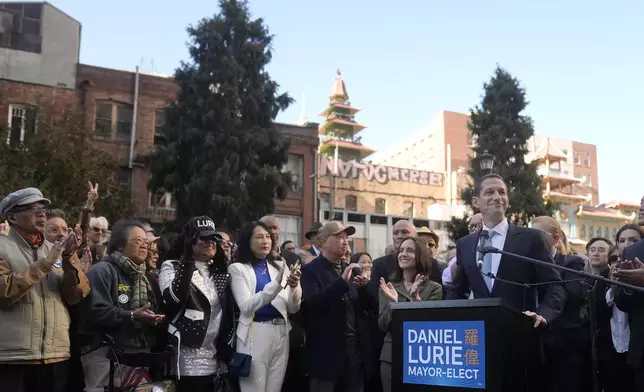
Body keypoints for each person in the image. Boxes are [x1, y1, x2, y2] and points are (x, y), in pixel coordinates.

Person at [447, 174, 565, 391]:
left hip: (522, 342)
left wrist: (544, 315)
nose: (497, 197)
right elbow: (458, 291)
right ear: (476, 201)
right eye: (490, 192)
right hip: (477, 344)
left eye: (502, 192)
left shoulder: (531, 238)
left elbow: (555, 286)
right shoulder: (465, 244)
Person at [0, 187, 90, 392]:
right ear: (12, 217)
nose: (41, 213)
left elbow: (76, 296)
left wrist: (68, 261)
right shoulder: (2, 247)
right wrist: (44, 264)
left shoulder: (56, 249)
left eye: (43, 208)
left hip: (56, 355)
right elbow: (3, 293)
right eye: (33, 208)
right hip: (13, 359)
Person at [80, 220, 166, 392]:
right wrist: (132, 316)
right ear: (120, 245)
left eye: (146, 242)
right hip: (105, 353)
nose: (144, 246)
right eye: (138, 241)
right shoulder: (102, 271)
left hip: (139, 354)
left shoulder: (145, 276)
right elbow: (96, 311)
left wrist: (154, 318)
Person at [159, 216, 236, 391]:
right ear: (189, 240)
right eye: (204, 238)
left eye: (213, 238)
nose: (210, 242)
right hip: (183, 363)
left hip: (215, 363)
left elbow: (230, 314)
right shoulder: (171, 266)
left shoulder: (221, 272)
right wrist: (187, 258)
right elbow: (175, 299)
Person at [228, 221, 302, 392]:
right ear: (248, 241)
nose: (265, 241)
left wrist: (294, 286)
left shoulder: (278, 266)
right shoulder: (238, 268)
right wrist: (276, 285)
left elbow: (293, 307)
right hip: (255, 332)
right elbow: (246, 306)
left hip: (281, 332)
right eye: (259, 237)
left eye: (268, 237)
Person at [300, 221, 374, 392]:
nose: (345, 241)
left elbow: (368, 307)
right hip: (326, 354)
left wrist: (364, 289)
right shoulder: (311, 271)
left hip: (354, 350)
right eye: (340, 237)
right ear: (323, 241)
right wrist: (341, 282)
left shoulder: (352, 269)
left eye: (347, 237)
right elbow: (312, 305)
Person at [378, 236, 442, 392]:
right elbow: (383, 325)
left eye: (409, 250)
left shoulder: (434, 288)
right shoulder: (388, 287)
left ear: (419, 256)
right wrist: (393, 304)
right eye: (401, 250)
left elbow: (430, 325)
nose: (403, 254)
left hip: (422, 358)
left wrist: (415, 300)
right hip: (391, 357)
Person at [532, 216, 588, 392]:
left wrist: (547, 268)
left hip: (564, 343)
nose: (533, 240)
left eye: (538, 235)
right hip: (534, 342)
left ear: (556, 238)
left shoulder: (572, 262)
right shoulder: (527, 265)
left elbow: (574, 293)